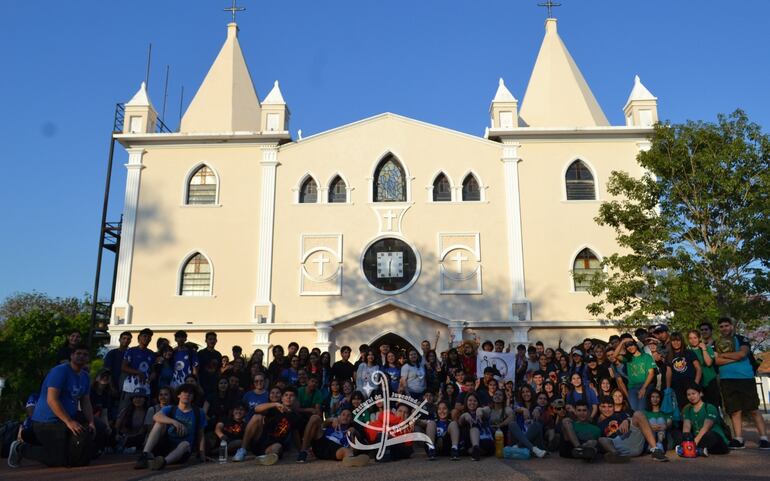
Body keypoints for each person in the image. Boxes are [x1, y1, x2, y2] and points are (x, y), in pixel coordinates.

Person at [8, 344, 100, 468]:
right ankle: (21, 448)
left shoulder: (85, 376)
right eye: (78, 353)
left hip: (66, 420)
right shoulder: (60, 371)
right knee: (58, 459)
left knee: (94, 433)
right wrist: (69, 422)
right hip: (47, 422)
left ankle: (33, 437)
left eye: (85, 354)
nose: (81, 356)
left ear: (88, 358)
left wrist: (91, 422)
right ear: (72, 356)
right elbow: (52, 399)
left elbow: (86, 401)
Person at [713, 317, 769, 449]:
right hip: (727, 379)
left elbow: (742, 354)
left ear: (731, 326)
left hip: (745, 378)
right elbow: (716, 361)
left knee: (753, 409)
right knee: (734, 410)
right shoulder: (716, 343)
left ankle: (764, 438)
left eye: (726, 325)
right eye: (721, 326)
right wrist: (734, 356)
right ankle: (738, 438)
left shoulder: (741, 339)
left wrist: (724, 356)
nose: (724, 328)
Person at [134, 383, 207, 470]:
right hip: (166, 445)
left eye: (190, 393)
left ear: (193, 397)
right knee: (159, 423)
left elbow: (201, 435)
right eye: (184, 392)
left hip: (182, 450)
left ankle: (162, 462)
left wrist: (202, 455)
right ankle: (145, 455)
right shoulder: (171, 408)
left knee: (185, 444)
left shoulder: (199, 412)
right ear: (179, 395)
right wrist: (174, 422)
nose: (187, 395)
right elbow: (156, 416)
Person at [237, 387, 302, 465]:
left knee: (278, 447)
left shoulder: (295, 417)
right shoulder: (273, 408)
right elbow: (256, 409)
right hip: (259, 441)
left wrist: (301, 451)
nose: (288, 397)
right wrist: (275, 404)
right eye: (286, 395)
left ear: (295, 399)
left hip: (273, 446)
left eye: (292, 395)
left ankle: (264, 458)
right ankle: (242, 450)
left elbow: (295, 434)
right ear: (282, 398)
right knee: (257, 417)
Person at [596, 397, 669, 462]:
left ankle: (655, 450)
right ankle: (615, 454)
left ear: (614, 407)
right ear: (599, 407)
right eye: (603, 407)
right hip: (615, 445)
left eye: (610, 406)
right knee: (601, 439)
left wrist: (627, 420)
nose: (607, 409)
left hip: (630, 438)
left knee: (638, 414)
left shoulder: (621, 414)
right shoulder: (597, 423)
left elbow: (633, 415)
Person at [295, 408, 370, 466]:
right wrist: (332, 419)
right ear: (339, 417)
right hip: (322, 442)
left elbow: (354, 450)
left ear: (351, 420)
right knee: (315, 417)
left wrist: (354, 433)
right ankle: (303, 451)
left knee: (347, 451)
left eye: (348, 415)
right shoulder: (331, 425)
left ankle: (351, 460)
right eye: (343, 414)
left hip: (335, 450)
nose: (345, 417)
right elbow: (321, 425)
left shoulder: (350, 432)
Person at [675, 383, 730, 456]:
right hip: (699, 440)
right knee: (680, 434)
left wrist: (694, 442)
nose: (691, 396)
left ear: (700, 394)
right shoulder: (687, 409)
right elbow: (686, 426)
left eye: (693, 393)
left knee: (709, 435)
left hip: (715, 440)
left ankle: (694, 449)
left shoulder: (710, 407)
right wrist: (686, 440)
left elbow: (706, 427)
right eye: (689, 395)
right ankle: (697, 450)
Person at [614, 335, 656, 411]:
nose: (630, 347)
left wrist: (643, 388)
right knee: (633, 410)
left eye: (631, 345)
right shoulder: (628, 358)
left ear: (636, 345)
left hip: (645, 385)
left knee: (642, 409)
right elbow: (615, 355)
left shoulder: (646, 356)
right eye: (627, 347)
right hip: (632, 388)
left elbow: (651, 373)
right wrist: (622, 342)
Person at [665, 332, 701, 410]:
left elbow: (698, 368)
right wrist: (668, 388)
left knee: (695, 407)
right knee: (683, 408)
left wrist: (696, 383)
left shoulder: (689, 352)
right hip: (677, 385)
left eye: (678, 340)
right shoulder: (669, 356)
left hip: (690, 384)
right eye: (673, 341)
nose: (676, 343)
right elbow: (668, 372)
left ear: (682, 341)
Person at [121, 328, 154, 411]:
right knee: (124, 412)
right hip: (130, 387)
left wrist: (153, 375)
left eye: (149, 337)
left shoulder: (151, 353)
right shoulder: (131, 351)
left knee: (143, 412)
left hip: (145, 388)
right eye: (144, 336)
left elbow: (153, 370)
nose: (147, 338)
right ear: (139, 338)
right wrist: (138, 373)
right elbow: (124, 367)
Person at [687, 329, 720, 407]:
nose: (693, 340)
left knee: (714, 405)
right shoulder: (687, 351)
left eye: (695, 337)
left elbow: (709, 363)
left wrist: (704, 349)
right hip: (697, 383)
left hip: (710, 381)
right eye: (690, 338)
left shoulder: (707, 348)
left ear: (699, 338)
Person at [457, 393, 493, 461]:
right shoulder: (464, 414)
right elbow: (460, 422)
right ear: (466, 402)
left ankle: (476, 450)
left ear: (478, 402)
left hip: (485, 441)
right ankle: (476, 450)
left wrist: (480, 410)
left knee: (474, 428)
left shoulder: (482, 411)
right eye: (470, 400)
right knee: (473, 428)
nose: (472, 403)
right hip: (469, 443)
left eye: (475, 401)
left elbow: (488, 410)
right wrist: (464, 415)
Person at [103, 331, 131, 396]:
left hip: (126, 387)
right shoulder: (112, 353)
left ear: (130, 341)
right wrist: (112, 387)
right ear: (119, 339)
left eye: (128, 339)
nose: (126, 340)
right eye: (124, 338)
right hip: (112, 385)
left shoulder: (131, 354)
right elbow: (107, 371)